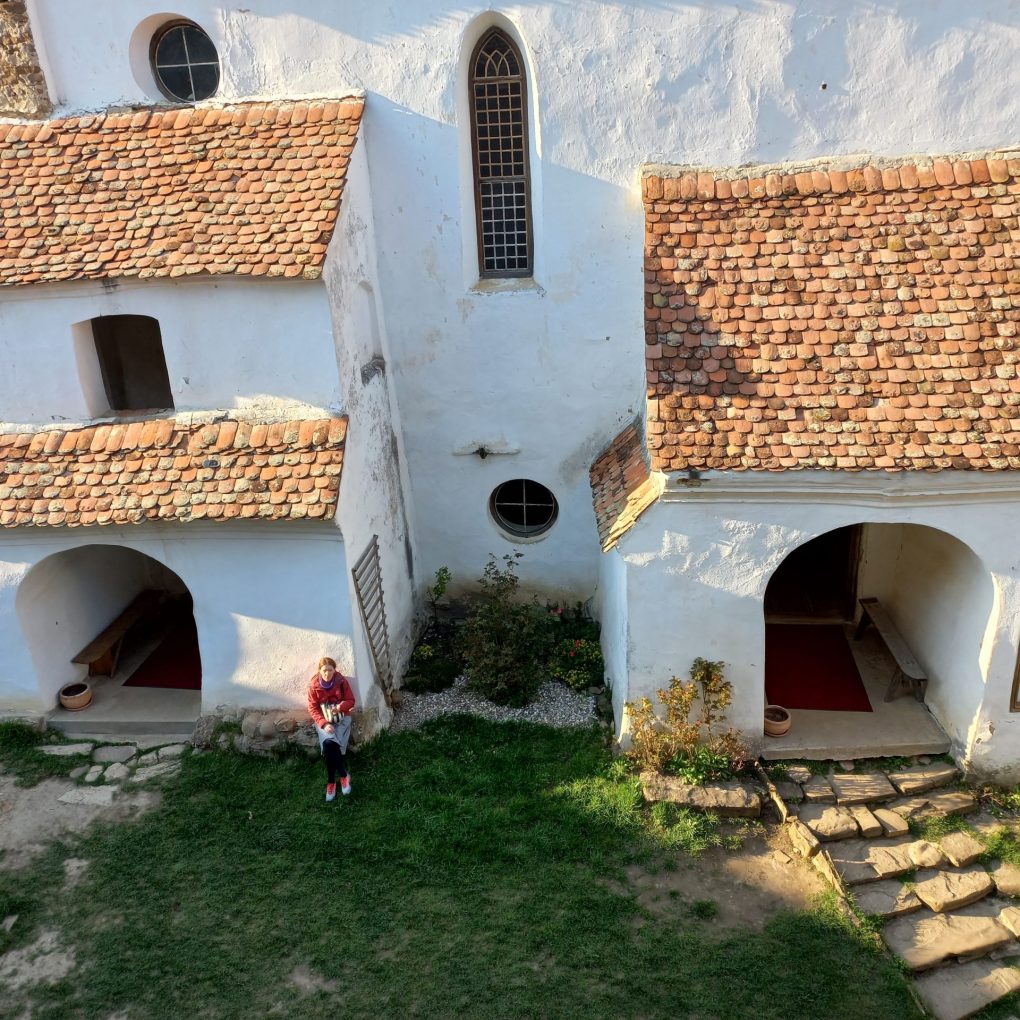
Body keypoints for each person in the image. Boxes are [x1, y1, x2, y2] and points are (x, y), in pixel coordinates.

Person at [306, 656, 356, 801]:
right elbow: (312, 708)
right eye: (324, 670)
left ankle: (331, 782)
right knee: (330, 744)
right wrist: (324, 723)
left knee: (330, 747)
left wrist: (340, 707)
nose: (327, 673)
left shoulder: (341, 681)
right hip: (325, 721)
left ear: (334, 670)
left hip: (342, 718)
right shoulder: (314, 686)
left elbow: (351, 700)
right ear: (319, 671)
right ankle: (342, 776)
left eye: (330, 670)